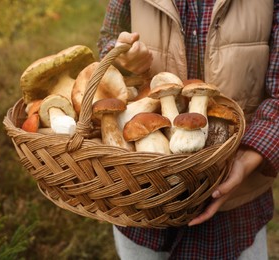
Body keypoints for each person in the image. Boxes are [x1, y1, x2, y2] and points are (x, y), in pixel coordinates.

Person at [97, 1, 279, 259]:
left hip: (236, 206)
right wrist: (123, 57)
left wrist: (250, 158)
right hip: (142, 200)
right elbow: (107, 39)